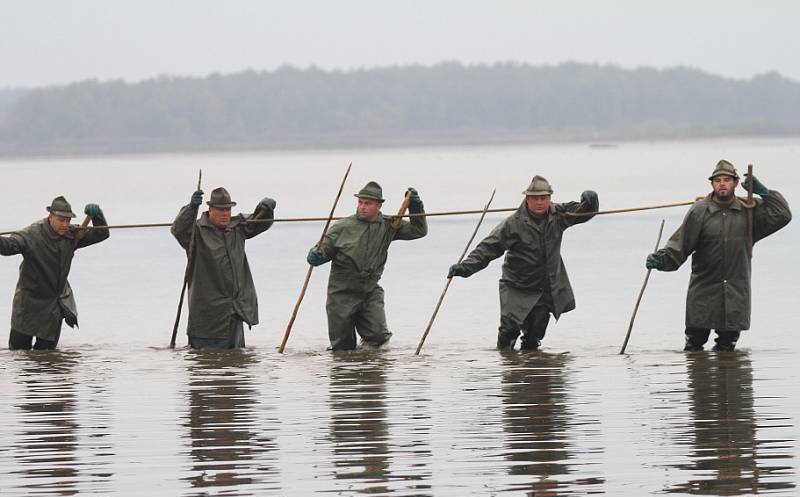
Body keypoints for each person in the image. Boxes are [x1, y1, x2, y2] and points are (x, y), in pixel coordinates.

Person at [646, 160, 791, 351]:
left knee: (727, 349)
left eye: (727, 180)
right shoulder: (699, 211)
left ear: (736, 183)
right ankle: (700, 379)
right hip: (703, 290)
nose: (722, 183)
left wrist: (764, 192)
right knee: (694, 346)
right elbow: (681, 244)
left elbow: (782, 215)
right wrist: (661, 259)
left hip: (735, 291)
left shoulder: (748, 211)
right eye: (718, 180)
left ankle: (728, 378)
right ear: (712, 184)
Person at [448, 175, 598, 350]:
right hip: (516, 285)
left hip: (544, 286)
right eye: (535, 198)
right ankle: (506, 363)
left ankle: (532, 368)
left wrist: (591, 201)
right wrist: (465, 267)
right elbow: (488, 248)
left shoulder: (559, 215)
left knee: (535, 334)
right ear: (527, 199)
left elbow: (582, 212)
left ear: (550, 198)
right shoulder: (513, 224)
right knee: (509, 330)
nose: (540, 202)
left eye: (543, 198)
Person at [306, 181, 427, 350]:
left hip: (370, 291)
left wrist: (415, 206)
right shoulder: (341, 227)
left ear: (378, 205)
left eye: (368, 203)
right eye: (360, 202)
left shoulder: (389, 226)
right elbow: (321, 252)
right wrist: (316, 255)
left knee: (379, 339)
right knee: (342, 347)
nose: (362, 207)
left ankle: (370, 367)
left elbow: (418, 231)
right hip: (341, 294)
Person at [171, 186, 276, 349]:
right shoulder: (196, 232)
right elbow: (178, 229)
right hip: (207, 319)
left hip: (235, 312)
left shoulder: (237, 227)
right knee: (206, 366)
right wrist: (191, 208)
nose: (225, 213)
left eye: (228, 209)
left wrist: (266, 209)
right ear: (210, 210)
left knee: (236, 364)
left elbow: (258, 222)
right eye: (220, 210)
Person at [0, 196, 109, 350]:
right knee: (18, 353)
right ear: (50, 216)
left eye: (68, 220)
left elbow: (101, 234)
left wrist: (98, 216)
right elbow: (8, 246)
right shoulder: (31, 234)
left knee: (48, 356)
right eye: (61, 220)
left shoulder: (73, 235)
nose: (65, 225)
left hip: (54, 305)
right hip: (28, 303)